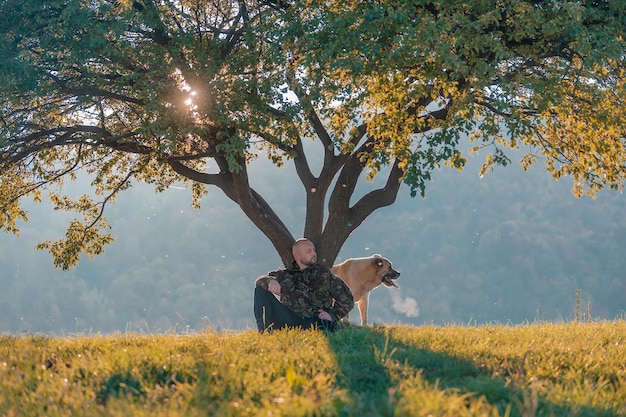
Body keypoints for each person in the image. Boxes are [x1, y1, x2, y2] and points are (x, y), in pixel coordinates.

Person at [253, 238, 354, 333]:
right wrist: (270, 281)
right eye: (309, 251)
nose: (314, 254)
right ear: (297, 256)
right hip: (289, 320)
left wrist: (332, 315)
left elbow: (347, 299)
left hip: (314, 321)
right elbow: (260, 281)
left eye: (314, 250)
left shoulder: (324, 274)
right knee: (260, 291)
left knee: (328, 327)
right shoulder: (285, 275)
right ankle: (265, 332)